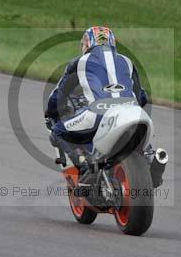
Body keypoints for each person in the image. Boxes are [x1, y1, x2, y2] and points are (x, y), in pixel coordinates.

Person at [45, 26, 148, 163]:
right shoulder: (128, 62)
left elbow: (59, 95)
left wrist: (51, 113)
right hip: (134, 114)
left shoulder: (79, 62)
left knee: (57, 131)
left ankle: (83, 167)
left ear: (87, 44)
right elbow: (141, 97)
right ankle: (152, 160)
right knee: (146, 150)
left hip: (98, 115)